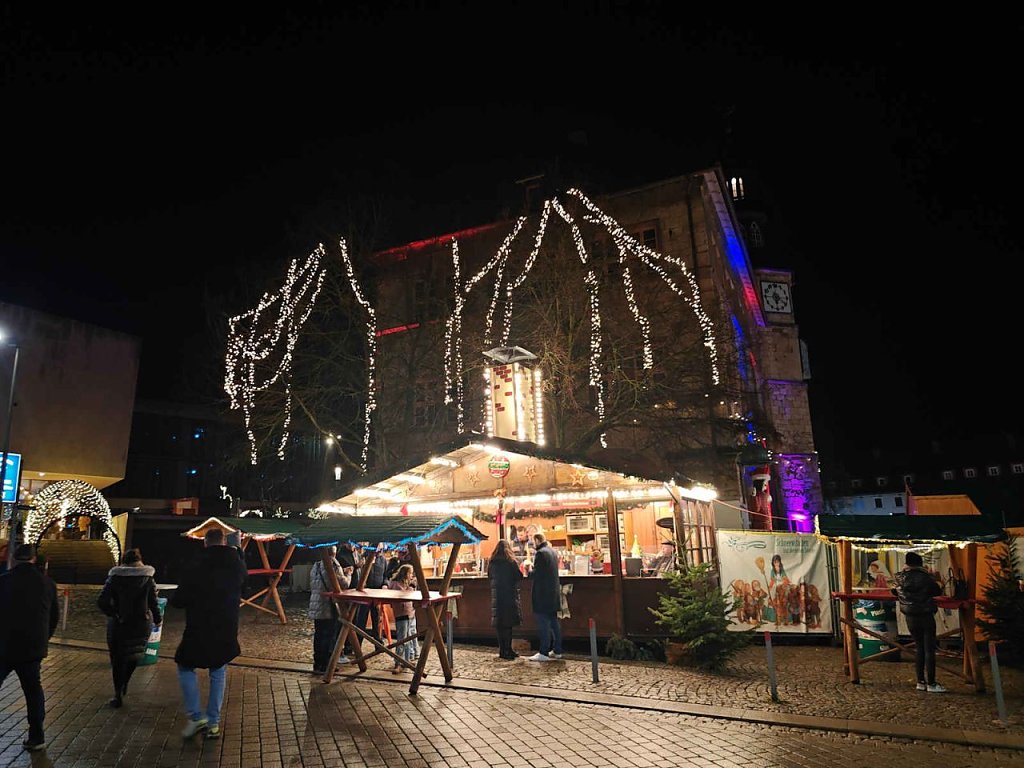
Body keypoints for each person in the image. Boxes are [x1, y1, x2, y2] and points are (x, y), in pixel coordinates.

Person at [172, 526, 248, 740]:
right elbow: (245, 588)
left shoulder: (196, 563)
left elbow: (179, 599)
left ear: (205, 542)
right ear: (223, 541)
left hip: (199, 624)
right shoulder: (236, 563)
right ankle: (213, 722)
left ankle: (196, 716)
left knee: (185, 665)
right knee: (218, 669)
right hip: (226, 624)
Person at [0, 544, 58, 752]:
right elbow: (53, 617)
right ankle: (37, 736)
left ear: (15, 559)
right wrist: (43, 638)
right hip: (33, 647)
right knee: (33, 691)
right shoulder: (47, 583)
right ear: (34, 559)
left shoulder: (3, 581)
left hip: (4, 645)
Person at [96, 547, 161, 708]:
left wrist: (114, 613)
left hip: (120, 624)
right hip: (141, 623)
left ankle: (118, 692)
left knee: (117, 658)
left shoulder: (115, 577)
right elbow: (153, 601)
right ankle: (125, 682)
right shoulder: (147, 578)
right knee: (135, 655)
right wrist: (157, 619)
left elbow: (102, 601)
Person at [891, 551, 945, 693]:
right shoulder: (926, 578)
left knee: (919, 648)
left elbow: (894, 591)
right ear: (920, 563)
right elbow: (937, 591)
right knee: (929, 649)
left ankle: (920, 682)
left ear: (906, 563)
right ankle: (932, 683)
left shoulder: (899, 578)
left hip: (910, 616)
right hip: (925, 615)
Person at [308, 545, 352, 675]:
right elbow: (344, 584)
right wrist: (348, 574)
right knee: (329, 635)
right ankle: (327, 665)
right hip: (329, 605)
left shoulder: (316, 565)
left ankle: (318, 663)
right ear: (334, 553)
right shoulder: (334, 564)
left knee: (319, 635)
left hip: (316, 604)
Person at [526, 532, 563, 661]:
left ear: (537, 540)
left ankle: (544, 652)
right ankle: (557, 650)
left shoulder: (540, 554)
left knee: (543, 623)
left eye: (533, 541)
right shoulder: (552, 551)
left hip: (543, 594)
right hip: (553, 593)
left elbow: (537, 574)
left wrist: (528, 570)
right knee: (554, 622)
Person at [488, 539, 523, 660]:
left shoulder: (492, 562)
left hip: (497, 596)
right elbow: (519, 576)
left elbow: (489, 576)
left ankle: (502, 650)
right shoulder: (511, 561)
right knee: (508, 625)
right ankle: (508, 649)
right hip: (509, 596)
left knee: (500, 624)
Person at [387, 563, 418, 673]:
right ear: (405, 574)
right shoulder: (396, 584)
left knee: (408, 637)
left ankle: (406, 660)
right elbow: (404, 595)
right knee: (402, 639)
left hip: (409, 612)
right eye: (410, 573)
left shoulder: (404, 583)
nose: (411, 575)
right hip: (402, 612)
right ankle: (398, 662)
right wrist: (411, 587)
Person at [354, 548, 386, 649]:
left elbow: (386, 574)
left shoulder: (383, 559)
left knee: (377, 619)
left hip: (377, 593)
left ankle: (378, 644)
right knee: (361, 619)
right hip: (365, 593)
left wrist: (385, 584)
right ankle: (357, 645)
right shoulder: (363, 557)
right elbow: (358, 572)